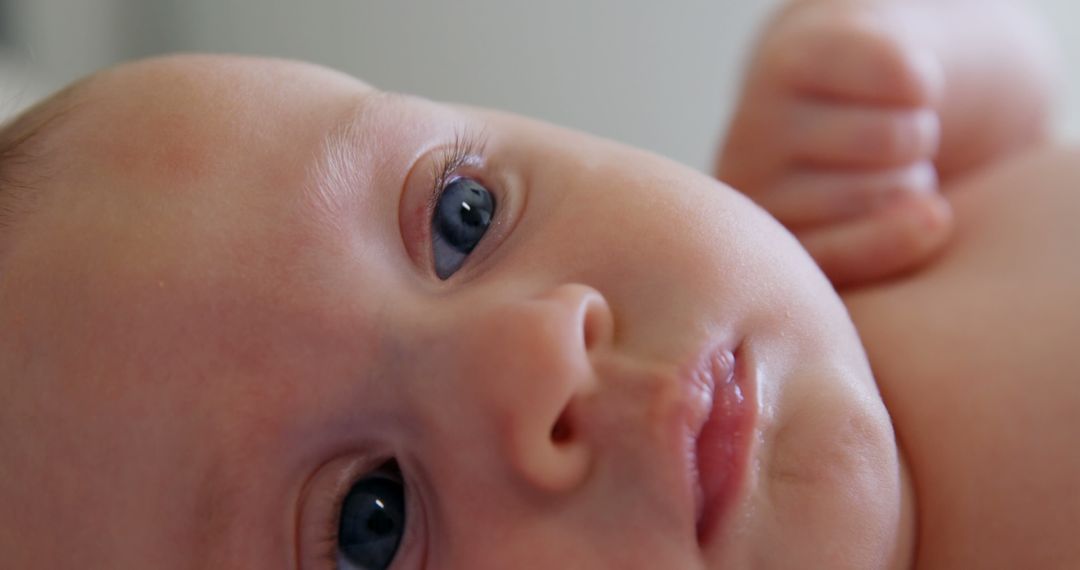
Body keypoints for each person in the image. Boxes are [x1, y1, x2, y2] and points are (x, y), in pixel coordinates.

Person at [0, 0, 1075, 568]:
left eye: (462, 218)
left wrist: (898, 54)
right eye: (372, 522)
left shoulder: (858, 238)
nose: (539, 351)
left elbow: (1025, 104)